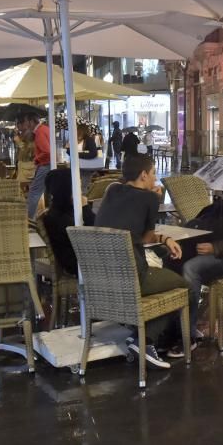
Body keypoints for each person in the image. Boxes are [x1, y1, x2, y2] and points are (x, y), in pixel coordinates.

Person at [94, 154, 187, 369]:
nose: (155, 178)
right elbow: (146, 239)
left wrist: (165, 239)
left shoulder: (112, 190)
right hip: (132, 274)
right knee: (184, 286)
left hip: (101, 275)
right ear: (143, 174)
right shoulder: (150, 199)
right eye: (154, 173)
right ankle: (147, 340)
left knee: (165, 264)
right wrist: (154, 200)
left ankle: (145, 335)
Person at [171, 191, 223, 357]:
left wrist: (216, 248)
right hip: (217, 250)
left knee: (190, 269)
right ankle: (174, 328)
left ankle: (187, 334)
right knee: (173, 259)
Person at [42, 168, 95, 276]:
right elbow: (94, 233)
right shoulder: (58, 217)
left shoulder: (61, 211)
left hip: (80, 259)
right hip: (78, 264)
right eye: (77, 187)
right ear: (66, 189)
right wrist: (85, 208)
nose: (81, 192)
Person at [20, 112, 51, 219]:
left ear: (31, 121)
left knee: (34, 192)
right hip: (48, 164)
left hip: (45, 164)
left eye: (26, 121)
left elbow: (47, 151)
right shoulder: (45, 128)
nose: (25, 124)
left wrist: (36, 159)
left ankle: (28, 220)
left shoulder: (39, 131)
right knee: (41, 191)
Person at [67, 123, 99, 192]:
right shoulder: (73, 139)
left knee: (83, 188)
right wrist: (68, 149)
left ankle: (83, 202)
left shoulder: (89, 140)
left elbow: (93, 153)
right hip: (74, 167)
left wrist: (77, 154)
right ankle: (76, 202)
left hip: (85, 168)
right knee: (74, 187)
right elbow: (70, 153)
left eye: (77, 129)